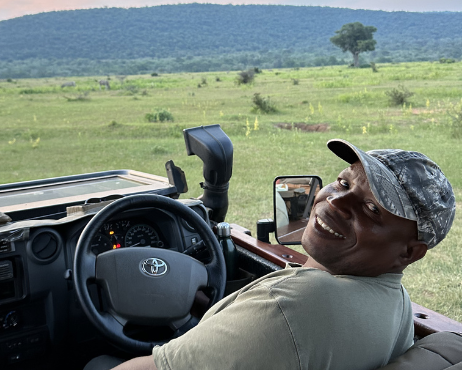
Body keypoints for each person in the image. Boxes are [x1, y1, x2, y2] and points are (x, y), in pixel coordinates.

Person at [90, 139, 455, 370]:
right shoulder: (395, 301)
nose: (334, 202)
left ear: (410, 252)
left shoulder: (293, 306)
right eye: (343, 183)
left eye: (372, 209)